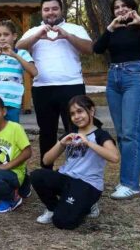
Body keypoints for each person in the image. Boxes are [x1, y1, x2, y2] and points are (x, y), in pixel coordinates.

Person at [93, 0, 140, 200]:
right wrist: (110, 28)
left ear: (132, 7)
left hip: (135, 77)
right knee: (122, 133)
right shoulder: (113, 31)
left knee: (131, 132)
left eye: (125, 6)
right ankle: (125, 181)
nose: (121, 10)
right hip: (113, 79)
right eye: (117, 7)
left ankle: (130, 184)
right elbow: (97, 49)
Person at [16, 0, 92, 169]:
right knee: (47, 132)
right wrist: (37, 36)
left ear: (61, 10)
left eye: (54, 8)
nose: (51, 12)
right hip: (43, 88)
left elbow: (90, 49)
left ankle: (76, 171)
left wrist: (67, 36)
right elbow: (18, 47)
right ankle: (47, 172)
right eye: (46, 9)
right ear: (42, 12)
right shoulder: (33, 31)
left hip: (72, 87)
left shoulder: (75, 28)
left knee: (75, 131)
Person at [32, 95, 120, 229]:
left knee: (63, 222)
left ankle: (88, 205)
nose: (76, 116)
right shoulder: (71, 133)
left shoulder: (101, 135)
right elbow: (46, 160)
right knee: (37, 175)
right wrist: (61, 143)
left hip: (88, 184)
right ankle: (52, 208)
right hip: (66, 178)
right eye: (72, 114)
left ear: (91, 111)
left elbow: (114, 157)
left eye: (80, 111)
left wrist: (89, 143)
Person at [0, 21, 38, 123]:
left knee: (12, 134)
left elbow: (34, 72)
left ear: (14, 36)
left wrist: (15, 55)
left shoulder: (21, 53)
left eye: (6, 34)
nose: (2, 38)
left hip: (12, 102)